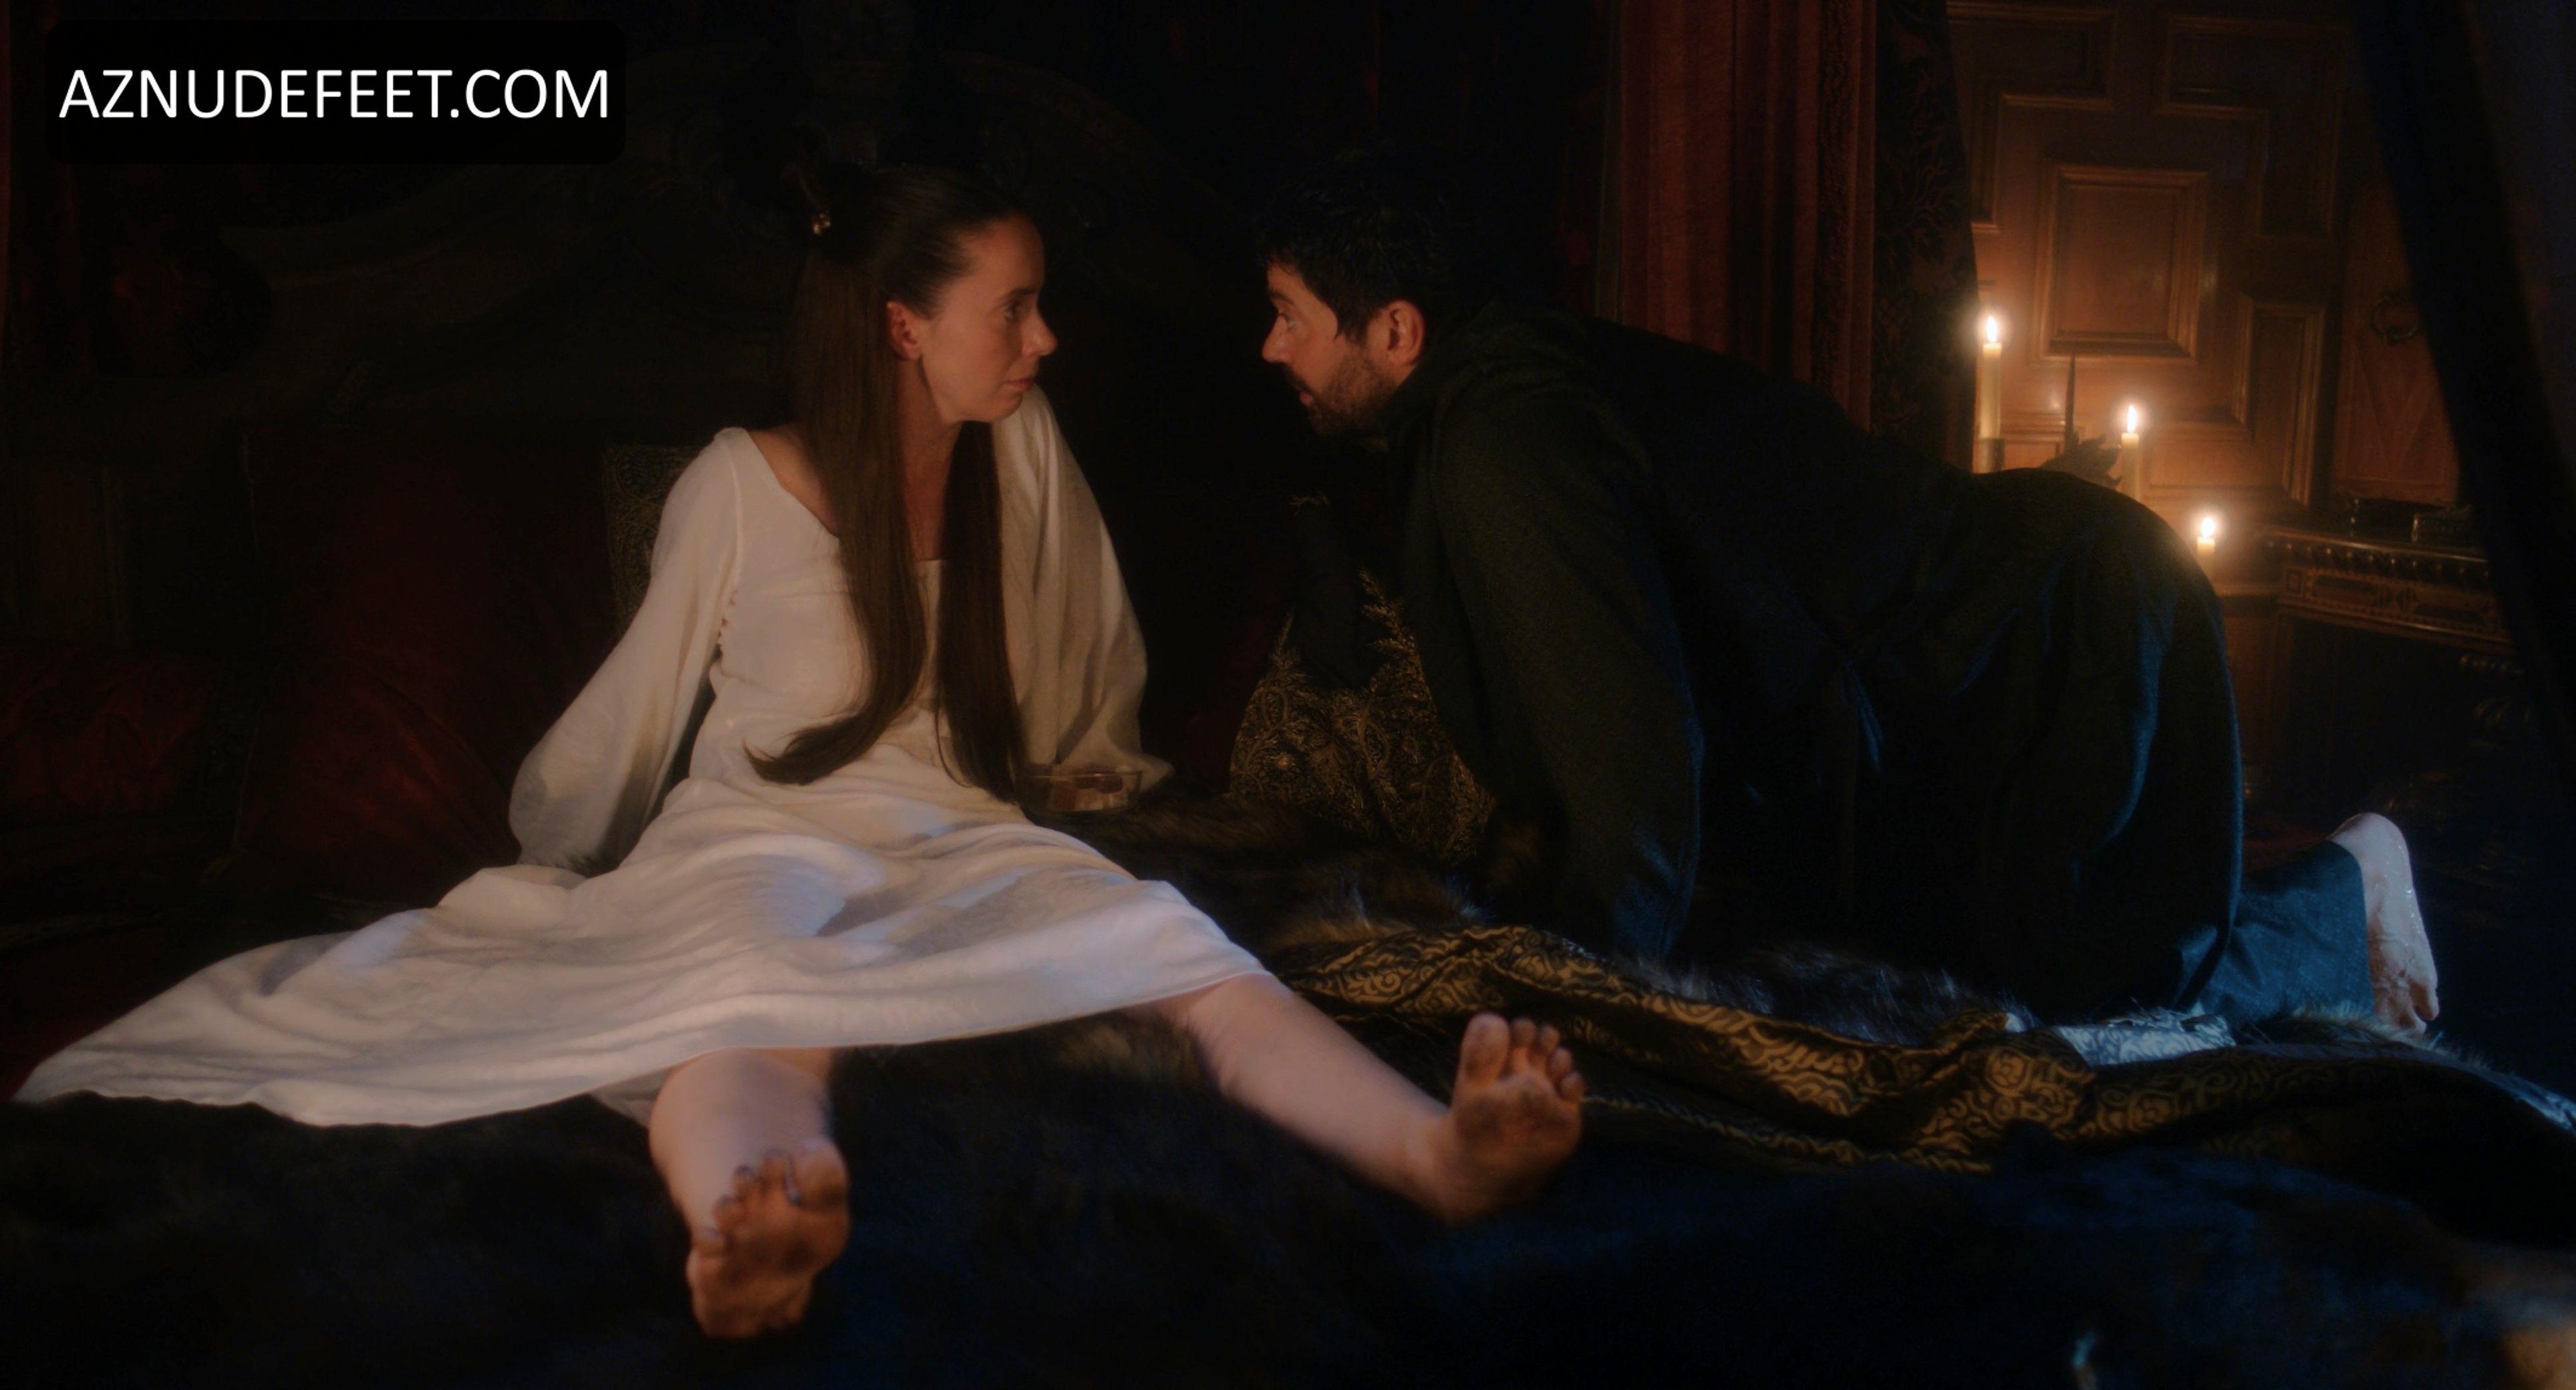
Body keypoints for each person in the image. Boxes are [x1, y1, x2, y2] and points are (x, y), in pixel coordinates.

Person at [12, 164, 1586, 1339]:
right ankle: (746, 1225)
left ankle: (1435, 1156)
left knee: (1186, 957)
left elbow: (1072, 688)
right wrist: (557, 856)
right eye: (1013, 307)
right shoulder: (738, 484)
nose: (1044, 337)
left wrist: (1080, 811)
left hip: (957, 830)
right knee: (752, 1004)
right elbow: (636, 707)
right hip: (755, 832)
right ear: (903, 324)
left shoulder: (1020, 456)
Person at [1233, 146, 2439, 1035]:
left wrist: (1580, 1009)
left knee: (2104, 1008)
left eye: (1289, 316)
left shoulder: (1505, 438)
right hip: (1962, 653)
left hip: (2046, 632)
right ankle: (2340, 888)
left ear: (1396, 331)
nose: (1271, 347)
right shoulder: (1484, 411)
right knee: (2001, 980)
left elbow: (1632, 759)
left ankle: (2357, 876)